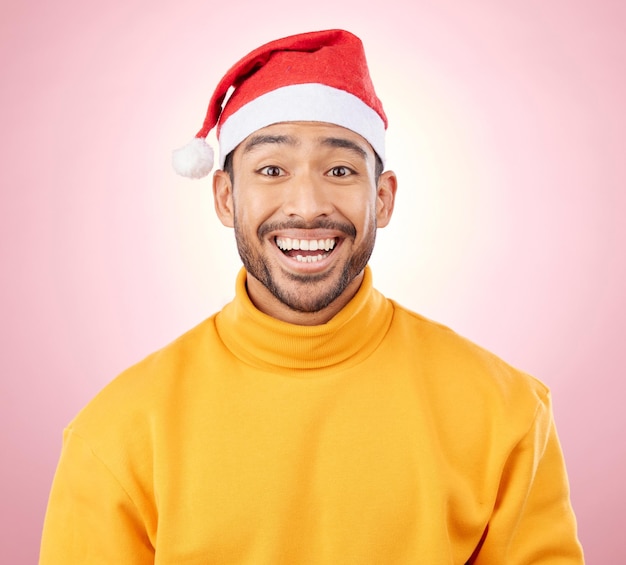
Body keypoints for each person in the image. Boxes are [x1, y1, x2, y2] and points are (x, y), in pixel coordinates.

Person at [39, 29, 584, 563]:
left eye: (340, 169)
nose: (306, 204)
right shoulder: (116, 434)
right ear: (226, 197)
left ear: (383, 198)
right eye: (272, 170)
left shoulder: (505, 412)